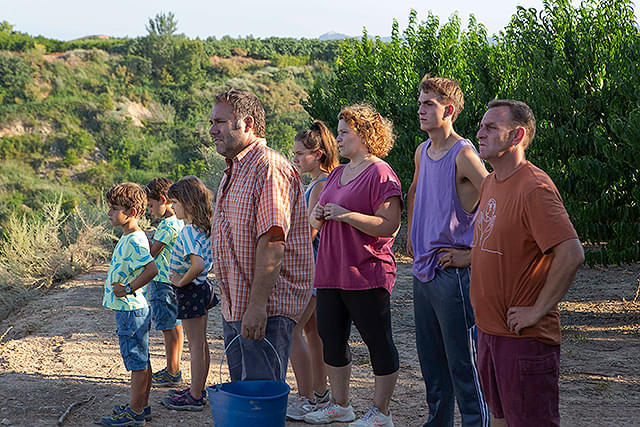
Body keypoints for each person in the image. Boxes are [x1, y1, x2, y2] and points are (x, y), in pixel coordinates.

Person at [471, 99, 584, 426]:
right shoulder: (491, 181)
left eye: (491, 127)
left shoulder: (534, 187)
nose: (480, 133)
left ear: (517, 135)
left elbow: (571, 252)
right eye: (481, 125)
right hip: (489, 333)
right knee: (501, 420)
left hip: (524, 341)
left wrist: (537, 310)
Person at [304, 104, 402, 427]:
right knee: (331, 337)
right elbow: (314, 219)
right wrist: (317, 215)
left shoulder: (381, 173)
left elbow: (389, 225)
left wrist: (344, 215)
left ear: (364, 134)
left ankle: (381, 413)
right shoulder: (335, 173)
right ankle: (340, 405)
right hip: (331, 271)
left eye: (344, 132)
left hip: (366, 272)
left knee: (378, 341)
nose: (339, 138)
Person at [209, 89, 314, 384]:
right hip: (238, 307)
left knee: (259, 398)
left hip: (264, 309)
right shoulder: (234, 169)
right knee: (247, 399)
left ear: (248, 123)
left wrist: (257, 307)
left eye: (220, 122)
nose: (212, 130)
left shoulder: (268, 167)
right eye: (212, 122)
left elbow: (272, 241)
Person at [406, 76, 489, 427]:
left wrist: (472, 255)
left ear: (449, 110)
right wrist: (411, 233)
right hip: (424, 271)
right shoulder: (422, 151)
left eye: (429, 104)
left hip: (453, 274)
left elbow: (499, 203)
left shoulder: (464, 154)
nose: (421, 110)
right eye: (421, 102)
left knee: (464, 365)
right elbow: (413, 190)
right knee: (432, 365)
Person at [286, 121, 338, 420]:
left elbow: (310, 231)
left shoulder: (320, 184)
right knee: (313, 334)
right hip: (318, 270)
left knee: (292, 330)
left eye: (300, 154)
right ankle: (318, 394)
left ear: (318, 154)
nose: (295, 159)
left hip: (312, 271)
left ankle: (308, 396)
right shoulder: (319, 182)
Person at [100, 183, 158, 426]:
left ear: (132, 212)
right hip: (131, 310)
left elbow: (151, 269)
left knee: (136, 362)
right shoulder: (129, 237)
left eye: (114, 209)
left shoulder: (134, 240)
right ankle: (141, 406)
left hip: (130, 310)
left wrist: (128, 288)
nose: (110, 213)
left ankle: (134, 413)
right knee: (141, 359)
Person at [160, 176, 216, 412]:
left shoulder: (188, 232)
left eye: (175, 202)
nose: (172, 207)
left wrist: (180, 282)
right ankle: (198, 388)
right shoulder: (203, 227)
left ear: (188, 203)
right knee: (201, 344)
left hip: (191, 290)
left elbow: (198, 264)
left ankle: (194, 396)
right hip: (201, 289)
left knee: (195, 346)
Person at [144, 177, 185, 388]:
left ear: (162, 200)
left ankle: (172, 371)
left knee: (168, 328)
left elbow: (152, 253)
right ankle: (174, 368)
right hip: (175, 281)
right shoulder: (180, 220)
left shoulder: (167, 225)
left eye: (151, 205)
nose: (149, 210)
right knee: (176, 327)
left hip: (162, 283)